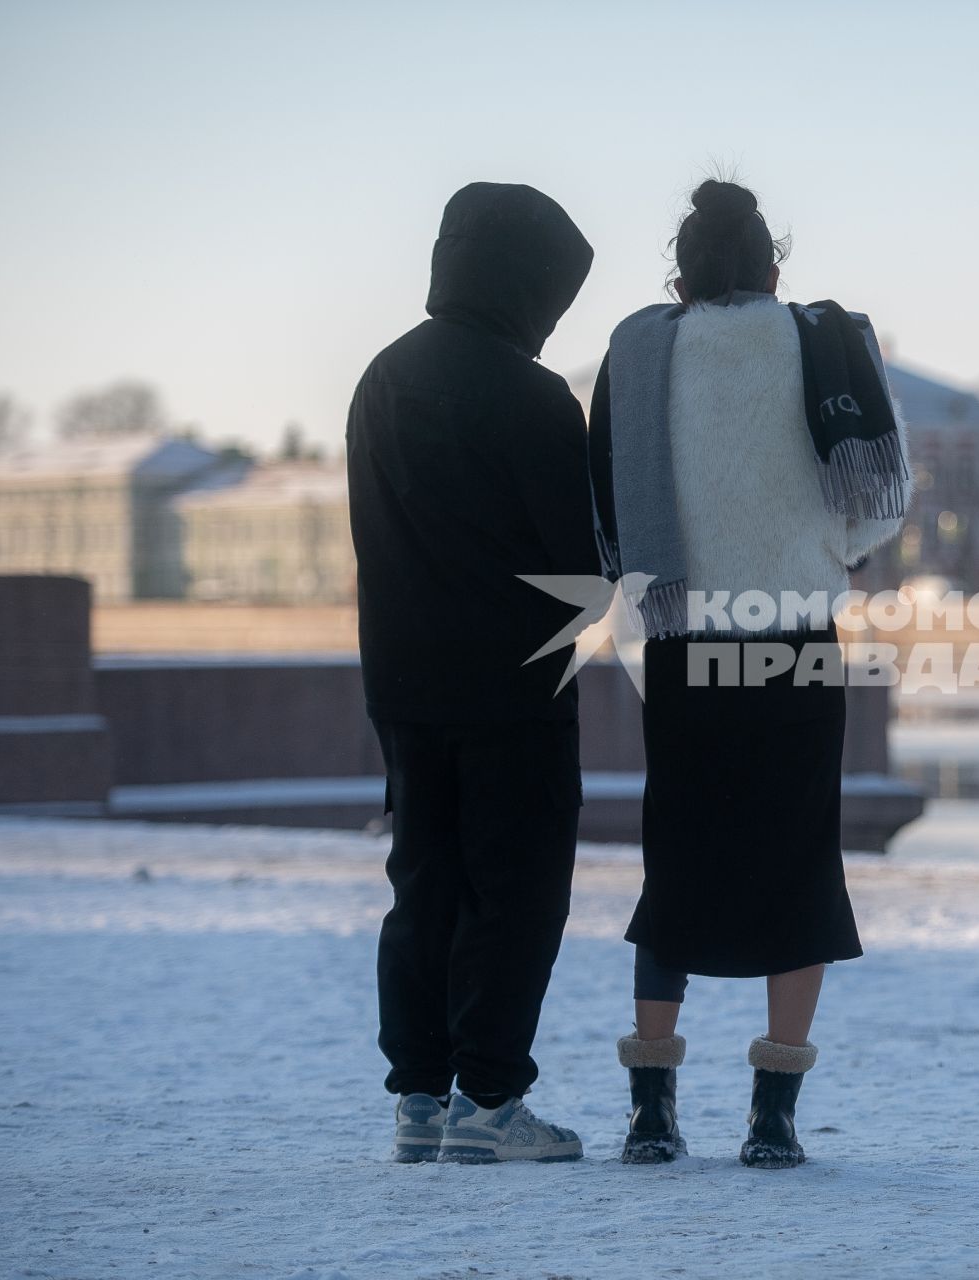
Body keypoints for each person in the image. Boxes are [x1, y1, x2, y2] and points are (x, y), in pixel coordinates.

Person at [589, 178, 908, 1168]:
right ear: (774, 266)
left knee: (675, 857)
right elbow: (878, 503)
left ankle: (651, 1110)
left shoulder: (641, 352)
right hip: (796, 638)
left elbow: (603, 499)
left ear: (679, 277)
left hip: (684, 641)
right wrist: (827, 549)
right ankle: (772, 1116)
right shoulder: (821, 338)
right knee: (800, 862)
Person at [347, 182, 601, 1163]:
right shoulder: (533, 396)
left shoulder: (381, 377)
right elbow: (576, 566)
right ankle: (490, 1099)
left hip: (401, 679)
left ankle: (419, 1094)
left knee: (424, 879)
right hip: (512, 683)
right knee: (519, 885)